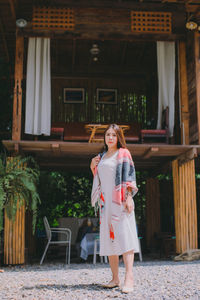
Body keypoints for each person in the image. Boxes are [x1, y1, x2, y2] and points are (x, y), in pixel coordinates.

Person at [90, 124, 139, 294]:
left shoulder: (123, 153)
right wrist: (92, 167)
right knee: (109, 241)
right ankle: (115, 278)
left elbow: (130, 176)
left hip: (120, 201)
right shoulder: (101, 157)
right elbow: (100, 179)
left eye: (113, 135)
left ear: (118, 137)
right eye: (107, 134)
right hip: (105, 204)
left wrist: (130, 196)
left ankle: (129, 278)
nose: (110, 137)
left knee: (125, 238)